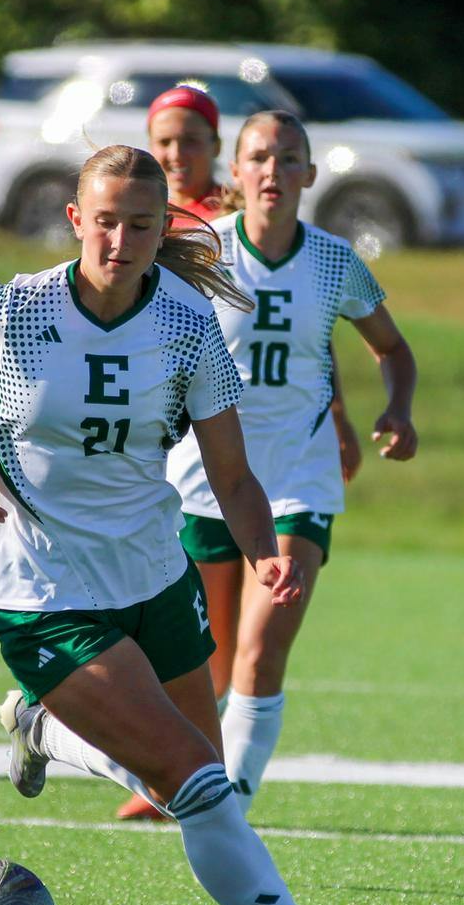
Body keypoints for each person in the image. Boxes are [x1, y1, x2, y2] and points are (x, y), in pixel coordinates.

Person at [0, 142, 372, 905]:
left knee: (201, 790)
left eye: (140, 224)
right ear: (75, 220)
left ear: (162, 225)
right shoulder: (15, 309)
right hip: (45, 589)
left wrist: (263, 552)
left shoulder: (184, 321)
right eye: (105, 222)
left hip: (155, 575)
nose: (121, 240)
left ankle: (43, 730)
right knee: (199, 783)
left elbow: (233, 477)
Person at [146, 110, 415, 816]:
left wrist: (394, 409)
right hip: (206, 475)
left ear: (310, 175)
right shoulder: (200, 252)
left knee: (261, 652)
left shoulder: (332, 260)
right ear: (236, 172)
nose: (272, 170)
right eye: (259, 157)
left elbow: (391, 347)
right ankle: (190, 780)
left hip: (299, 475)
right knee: (208, 664)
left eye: (288, 158)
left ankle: (229, 804)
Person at [145, 85, 229, 223]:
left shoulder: (233, 215)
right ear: (151, 147)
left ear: (216, 146)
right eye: (164, 142)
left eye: (190, 141)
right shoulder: (142, 214)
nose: (176, 154)